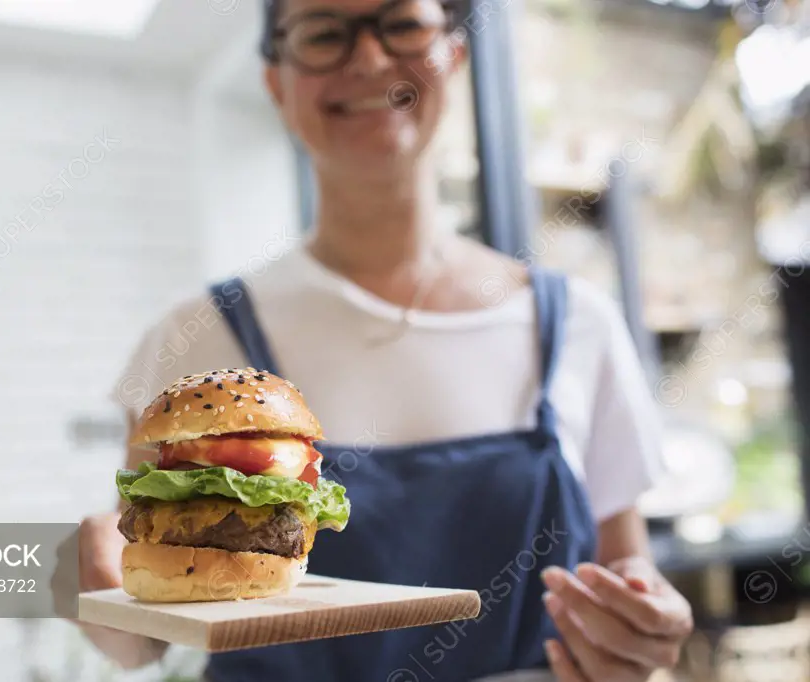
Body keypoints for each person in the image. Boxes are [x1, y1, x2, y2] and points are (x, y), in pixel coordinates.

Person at [71, 0, 694, 679]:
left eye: (400, 24)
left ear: (452, 54)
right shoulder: (194, 337)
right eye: (322, 34)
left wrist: (646, 631)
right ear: (276, 82)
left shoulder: (578, 323)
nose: (367, 59)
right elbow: (136, 633)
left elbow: (629, 575)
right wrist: (85, 590)